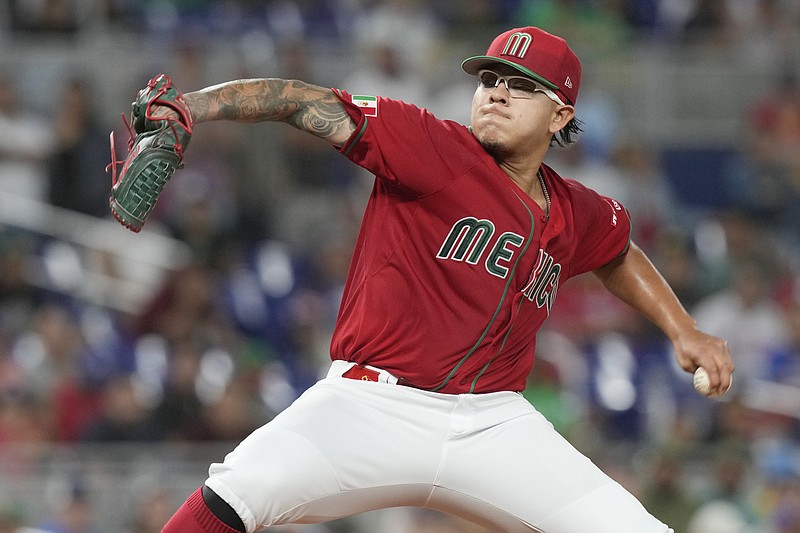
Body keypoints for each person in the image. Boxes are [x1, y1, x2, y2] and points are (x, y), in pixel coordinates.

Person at [155, 26, 734, 533]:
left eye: (523, 85)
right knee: (235, 494)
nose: (498, 92)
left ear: (561, 115)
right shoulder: (431, 146)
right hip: (371, 404)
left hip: (493, 424)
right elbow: (300, 102)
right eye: (490, 80)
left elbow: (617, 252)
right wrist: (193, 109)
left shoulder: (575, 209)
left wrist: (684, 330)